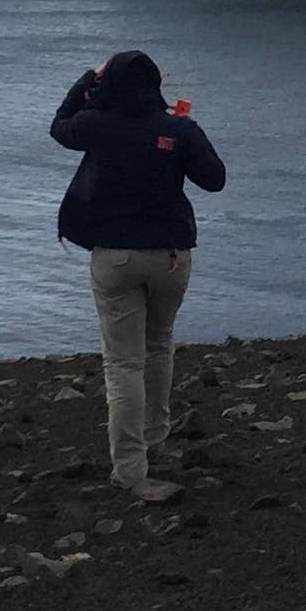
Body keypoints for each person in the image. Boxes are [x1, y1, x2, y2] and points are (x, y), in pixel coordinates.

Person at [51, 49, 225, 500]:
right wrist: (187, 135)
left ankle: (130, 467)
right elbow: (214, 179)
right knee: (159, 343)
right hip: (169, 256)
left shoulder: (96, 125)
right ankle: (155, 438)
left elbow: (60, 125)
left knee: (124, 361)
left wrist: (86, 80)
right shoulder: (177, 129)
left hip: (116, 257)